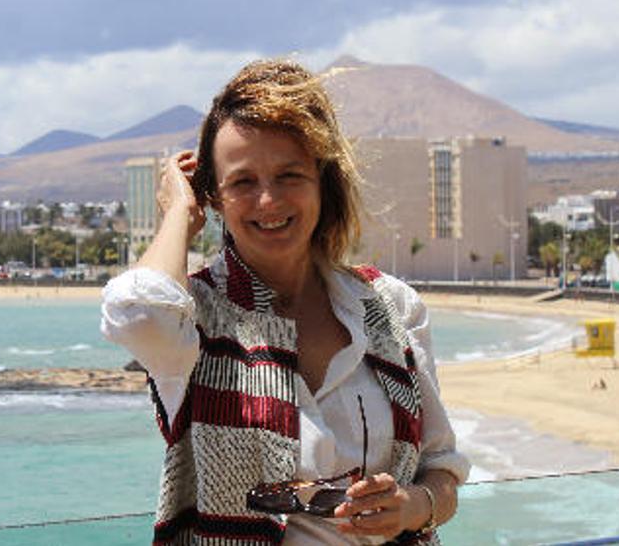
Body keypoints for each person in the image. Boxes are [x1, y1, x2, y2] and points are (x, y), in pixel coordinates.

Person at [101, 59, 469, 545]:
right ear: (214, 197)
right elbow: (138, 312)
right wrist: (178, 214)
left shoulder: (391, 307)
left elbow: (440, 470)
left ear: (323, 181)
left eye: (290, 175)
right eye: (242, 182)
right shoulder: (197, 317)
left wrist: (413, 507)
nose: (268, 200)